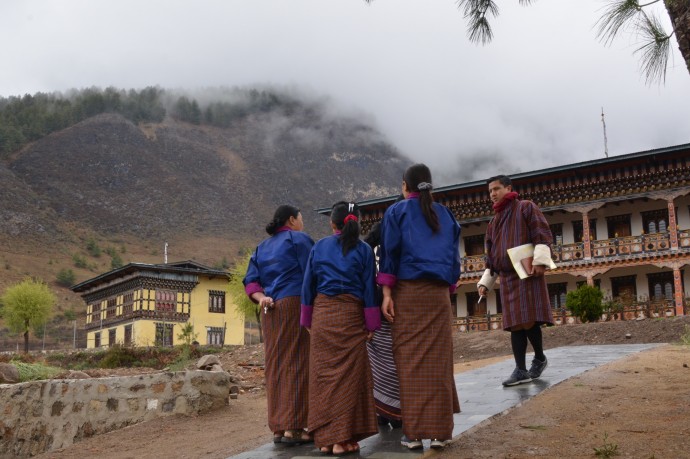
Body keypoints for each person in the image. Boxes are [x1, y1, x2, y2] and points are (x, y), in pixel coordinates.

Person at [378, 164, 461, 450]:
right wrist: (448, 287)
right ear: (429, 185)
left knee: (409, 363)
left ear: (405, 186)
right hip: (438, 296)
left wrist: (386, 293)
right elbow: (453, 259)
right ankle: (440, 432)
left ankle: (413, 434)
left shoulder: (396, 212)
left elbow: (389, 254)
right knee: (438, 364)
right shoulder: (446, 214)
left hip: (407, 295)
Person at [301, 201, 380, 455]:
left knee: (324, 380)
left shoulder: (319, 246)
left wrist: (307, 320)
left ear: (332, 223)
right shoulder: (365, 250)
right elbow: (369, 289)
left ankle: (326, 440)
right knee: (348, 380)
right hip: (351, 317)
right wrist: (371, 324)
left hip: (323, 317)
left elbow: (308, 286)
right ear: (356, 221)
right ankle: (342, 440)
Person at [243, 205, 314, 445]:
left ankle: (278, 427)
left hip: (268, 308)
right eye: (301, 218)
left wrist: (262, 297)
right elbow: (312, 273)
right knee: (297, 361)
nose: (302, 223)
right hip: (293, 303)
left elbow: (251, 283)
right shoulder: (299, 240)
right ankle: (294, 428)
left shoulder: (261, 247)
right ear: (292, 220)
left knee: (275, 364)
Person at [477, 175, 554, 387]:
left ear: (508, 188)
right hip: (507, 277)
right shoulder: (493, 222)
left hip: (526, 270)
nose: (493, 193)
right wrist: (486, 283)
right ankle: (520, 369)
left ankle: (539, 357)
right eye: (490, 190)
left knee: (527, 320)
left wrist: (540, 261)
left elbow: (542, 234)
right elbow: (491, 256)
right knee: (514, 324)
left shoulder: (526, 208)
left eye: (497, 188)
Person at [364, 219, 403, 429]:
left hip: (375, 315)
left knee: (378, 366)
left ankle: (383, 412)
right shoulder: (394, 249)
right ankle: (396, 412)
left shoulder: (365, 251)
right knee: (395, 363)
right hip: (394, 312)